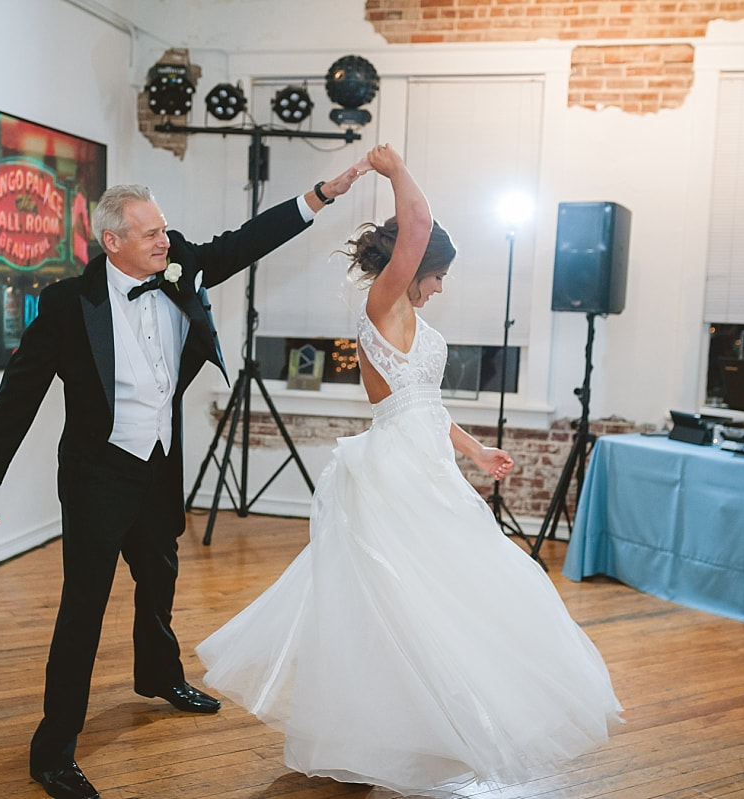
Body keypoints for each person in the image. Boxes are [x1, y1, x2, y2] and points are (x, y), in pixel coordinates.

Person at [197, 144, 622, 796]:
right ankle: (368, 735)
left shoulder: (415, 321)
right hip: (392, 472)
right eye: (439, 273)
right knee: (394, 608)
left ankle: (416, 731)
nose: (441, 285)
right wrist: (392, 171)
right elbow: (418, 225)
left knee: (431, 602)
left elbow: (427, 401)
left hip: (428, 463)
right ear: (415, 266)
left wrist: (474, 450)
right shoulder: (382, 307)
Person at [0, 167, 363, 799]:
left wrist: (316, 198)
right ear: (111, 241)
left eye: (164, 229)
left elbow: (242, 243)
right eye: (150, 233)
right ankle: (53, 752)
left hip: (158, 463)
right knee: (83, 609)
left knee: (159, 577)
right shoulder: (69, 303)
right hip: (98, 474)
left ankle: (159, 676)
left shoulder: (179, 267)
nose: (164, 240)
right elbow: (23, 387)